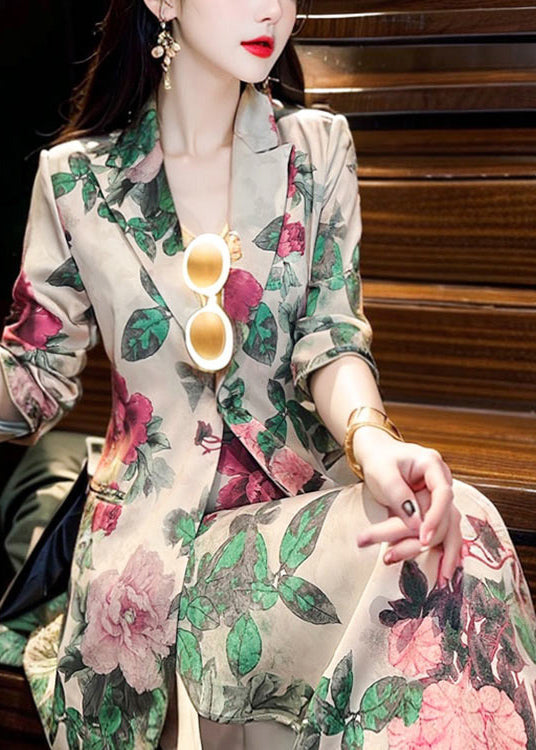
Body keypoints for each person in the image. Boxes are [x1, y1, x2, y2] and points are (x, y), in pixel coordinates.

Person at [1, 0, 536, 747]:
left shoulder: (316, 148)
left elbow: (331, 335)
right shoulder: (76, 180)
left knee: (456, 530)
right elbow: (31, 381)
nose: (272, 9)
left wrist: (376, 444)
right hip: (152, 560)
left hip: (298, 517)